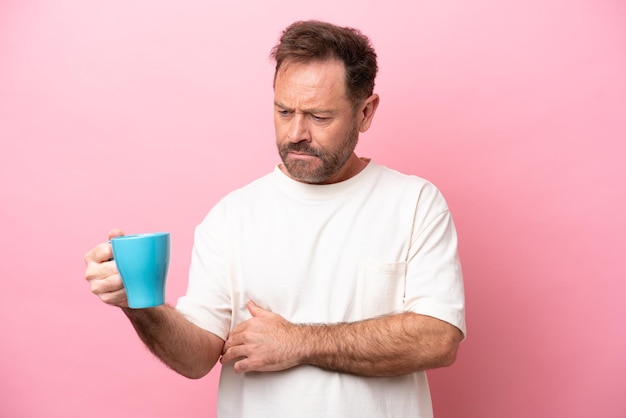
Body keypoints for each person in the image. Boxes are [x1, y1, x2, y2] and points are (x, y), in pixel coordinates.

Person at [84, 20, 466, 418]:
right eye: (284, 111)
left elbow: (438, 338)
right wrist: (138, 305)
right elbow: (197, 357)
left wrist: (299, 343)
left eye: (319, 117)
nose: (296, 133)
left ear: (365, 112)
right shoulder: (231, 217)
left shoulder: (416, 203)